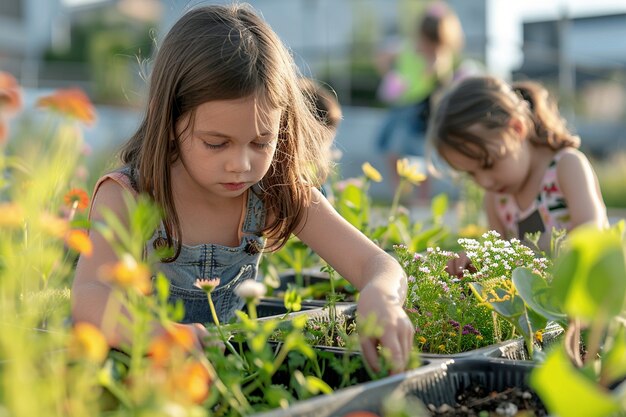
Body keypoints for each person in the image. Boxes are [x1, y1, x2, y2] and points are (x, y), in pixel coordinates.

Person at [71, 4, 413, 373]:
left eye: (261, 143)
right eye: (216, 143)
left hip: (218, 374)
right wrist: (154, 333)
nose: (242, 164)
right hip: (126, 373)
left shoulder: (274, 194)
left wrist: (381, 296)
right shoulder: (128, 195)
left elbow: (377, 263)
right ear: (167, 118)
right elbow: (90, 295)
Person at [426, 75, 609, 277]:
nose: (484, 182)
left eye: (489, 164)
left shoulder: (566, 167)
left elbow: (592, 231)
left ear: (517, 128)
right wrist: (477, 263)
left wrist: (528, 251)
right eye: (471, 173)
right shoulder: (497, 199)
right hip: (538, 303)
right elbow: (499, 266)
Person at [374, 1, 465, 203]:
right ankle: (400, 195)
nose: (426, 46)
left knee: (417, 156)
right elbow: (382, 56)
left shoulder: (439, 57)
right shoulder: (407, 47)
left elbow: (441, 79)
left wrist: (434, 62)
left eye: (431, 44)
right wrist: (391, 75)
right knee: (390, 150)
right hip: (400, 107)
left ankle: (421, 199)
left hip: (419, 111)